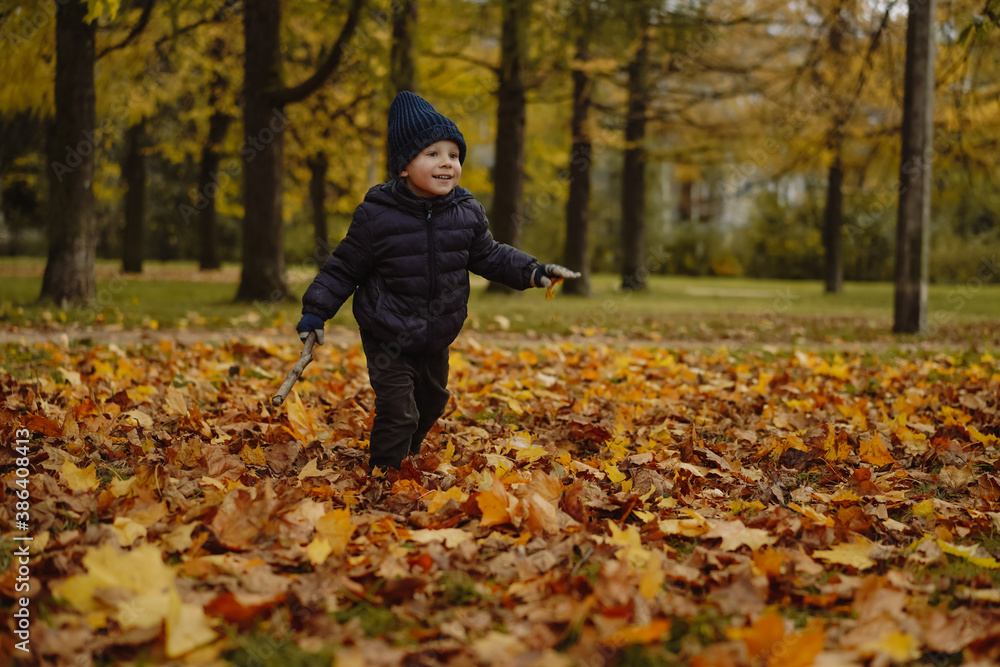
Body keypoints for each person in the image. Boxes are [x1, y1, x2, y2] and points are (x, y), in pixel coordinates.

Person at [296, 91, 579, 471]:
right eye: (432, 154)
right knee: (398, 411)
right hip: (388, 331)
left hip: (436, 332)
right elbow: (343, 268)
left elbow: (490, 255)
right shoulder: (376, 217)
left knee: (431, 403)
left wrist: (533, 271)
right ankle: (384, 474)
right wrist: (315, 312)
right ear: (403, 167)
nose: (447, 163)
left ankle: (405, 458)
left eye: (453, 155)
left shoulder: (466, 213)